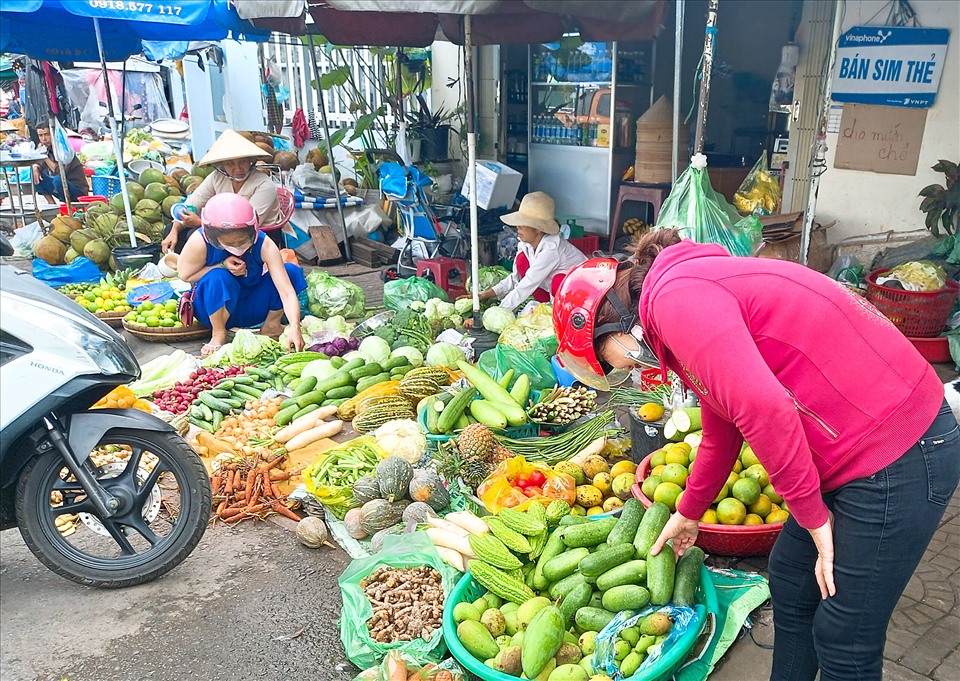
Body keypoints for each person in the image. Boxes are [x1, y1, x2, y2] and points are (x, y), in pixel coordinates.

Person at [552, 229, 959, 681]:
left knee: (845, 634)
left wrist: (811, 516)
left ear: (608, 322)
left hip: (900, 450)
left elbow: (765, 409)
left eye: (607, 361)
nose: (621, 368)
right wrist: (689, 511)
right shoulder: (679, 296)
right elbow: (722, 428)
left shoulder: (675, 300)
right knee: (791, 580)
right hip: (858, 451)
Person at [177, 193, 306, 356]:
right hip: (213, 309)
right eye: (230, 243)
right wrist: (222, 266)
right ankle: (218, 333)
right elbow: (185, 275)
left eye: (242, 240)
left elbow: (286, 292)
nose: (238, 246)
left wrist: (295, 326)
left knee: (290, 271)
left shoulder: (264, 243)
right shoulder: (200, 241)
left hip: (251, 305)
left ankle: (271, 325)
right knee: (218, 276)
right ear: (214, 236)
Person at [162, 129, 282, 254]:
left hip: (256, 235)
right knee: (171, 230)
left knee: (197, 236)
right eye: (230, 163)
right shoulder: (217, 177)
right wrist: (174, 230)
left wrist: (199, 222)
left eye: (243, 162)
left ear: (251, 161)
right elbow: (190, 205)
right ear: (222, 165)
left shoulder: (264, 184)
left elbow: (247, 226)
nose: (238, 169)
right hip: (224, 230)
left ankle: (209, 269)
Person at [478, 191, 586, 310]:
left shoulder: (551, 249)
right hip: (550, 290)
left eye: (523, 222)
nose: (518, 226)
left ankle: (559, 314)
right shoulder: (526, 245)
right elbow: (515, 279)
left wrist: (498, 312)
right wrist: (484, 295)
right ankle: (546, 307)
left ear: (539, 229)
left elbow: (527, 284)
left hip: (581, 295)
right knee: (522, 261)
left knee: (558, 282)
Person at [32, 123, 87, 203]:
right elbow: (40, 164)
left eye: (47, 135)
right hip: (60, 188)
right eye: (40, 135)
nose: (44, 139)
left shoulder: (64, 151)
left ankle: (66, 206)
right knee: (34, 174)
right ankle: (51, 204)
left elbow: (59, 172)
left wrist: (45, 157)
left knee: (58, 180)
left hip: (77, 191)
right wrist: (35, 167)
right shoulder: (47, 150)